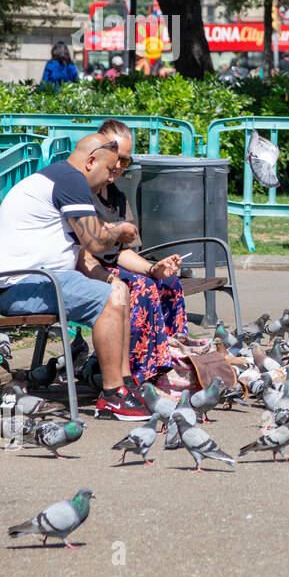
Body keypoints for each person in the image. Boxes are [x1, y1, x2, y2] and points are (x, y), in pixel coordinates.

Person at [0, 133, 150, 420]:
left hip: (36, 281)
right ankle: (112, 395)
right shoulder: (71, 180)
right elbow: (96, 243)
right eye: (110, 170)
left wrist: (112, 279)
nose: (112, 178)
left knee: (119, 290)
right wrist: (119, 230)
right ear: (90, 161)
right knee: (110, 297)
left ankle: (124, 384)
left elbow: (82, 256)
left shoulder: (63, 179)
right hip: (20, 285)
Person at [79, 119, 189, 389]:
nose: (118, 166)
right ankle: (135, 374)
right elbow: (84, 256)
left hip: (107, 267)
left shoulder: (116, 196)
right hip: (83, 270)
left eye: (125, 161)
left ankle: (171, 359)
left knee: (168, 282)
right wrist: (119, 279)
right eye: (115, 158)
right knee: (141, 287)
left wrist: (154, 268)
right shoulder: (81, 191)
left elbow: (121, 252)